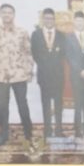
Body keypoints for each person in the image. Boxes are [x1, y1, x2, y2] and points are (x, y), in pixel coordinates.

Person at [0, 3, 34, 147]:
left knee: (22, 104)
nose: (7, 15)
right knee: (3, 106)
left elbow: (28, 52)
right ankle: (3, 134)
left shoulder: (22, 32)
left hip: (19, 75)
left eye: (9, 12)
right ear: (0, 14)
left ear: (14, 15)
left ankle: (28, 132)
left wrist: (29, 71)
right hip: (0, 76)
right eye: (4, 12)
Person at [30, 8, 66, 138]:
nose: (49, 21)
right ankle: (47, 130)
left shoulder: (62, 35)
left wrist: (53, 62)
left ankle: (59, 129)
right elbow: (34, 53)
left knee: (58, 104)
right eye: (46, 18)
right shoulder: (36, 34)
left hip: (58, 75)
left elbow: (63, 54)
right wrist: (45, 64)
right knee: (45, 104)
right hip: (44, 75)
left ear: (54, 20)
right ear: (43, 20)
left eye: (51, 18)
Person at [62, 10, 84, 137]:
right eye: (77, 20)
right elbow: (69, 57)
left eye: (82, 20)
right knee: (78, 102)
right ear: (74, 22)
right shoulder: (68, 38)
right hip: (76, 75)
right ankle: (78, 130)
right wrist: (80, 70)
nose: (80, 23)